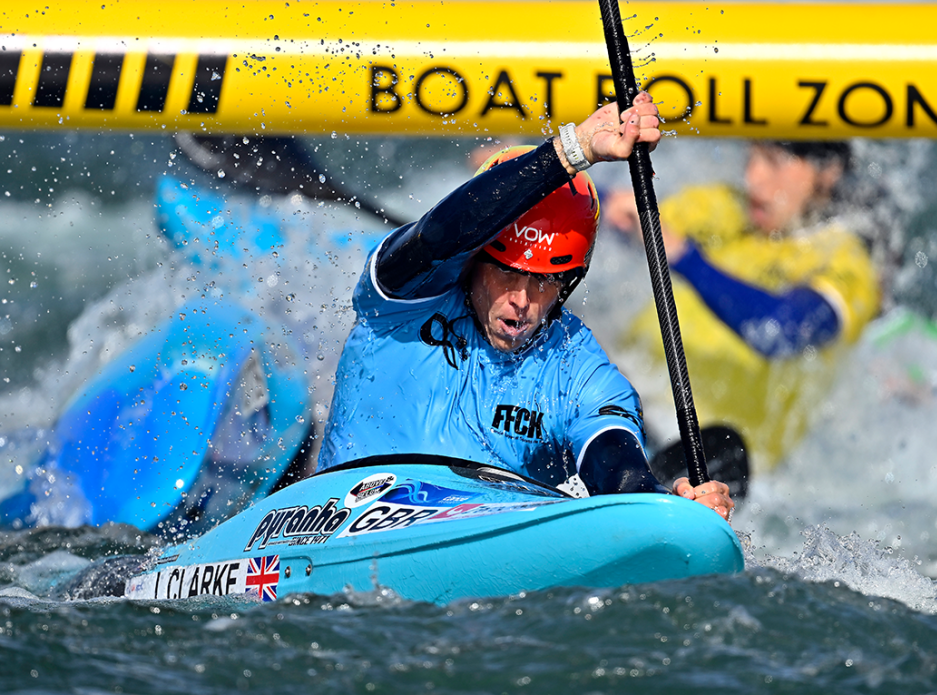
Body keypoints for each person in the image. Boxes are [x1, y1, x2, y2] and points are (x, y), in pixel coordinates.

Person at [317, 92, 734, 521]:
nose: (522, 301)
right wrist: (576, 149)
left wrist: (666, 508)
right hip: (333, 519)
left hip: (474, 546)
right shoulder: (404, 295)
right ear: (473, 261)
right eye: (506, 274)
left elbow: (620, 478)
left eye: (545, 282)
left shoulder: (577, 367)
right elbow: (442, 232)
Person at [620, 141, 881, 477]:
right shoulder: (727, 207)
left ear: (828, 172)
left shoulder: (849, 266)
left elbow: (779, 332)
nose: (752, 177)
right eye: (751, 156)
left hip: (712, 462)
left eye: (773, 161)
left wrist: (684, 257)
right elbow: (610, 208)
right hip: (626, 401)